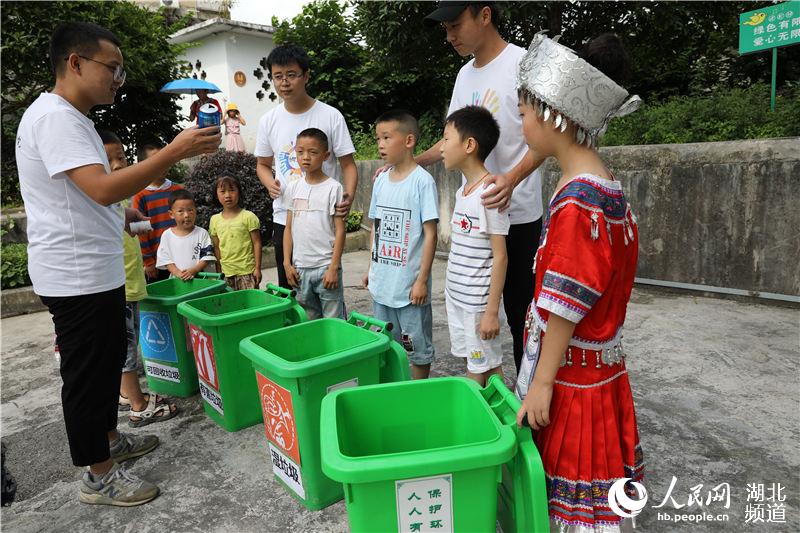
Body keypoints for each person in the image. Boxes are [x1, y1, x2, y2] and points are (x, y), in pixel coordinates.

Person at [15, 21, 219, 506]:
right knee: (87, 377)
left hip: (93, 269)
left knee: (107, 364)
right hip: (76, 274)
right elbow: (102, 187)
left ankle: (108, 442)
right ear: (75, 63)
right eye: (113, 68)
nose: (118, 79)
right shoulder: (56, 119)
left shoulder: (73, 119)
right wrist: (174, 152)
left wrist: (122, 211)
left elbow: (85, 195)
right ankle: (97, 476)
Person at [513, 32, 644, 531]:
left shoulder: (578, 203)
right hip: (597, 371)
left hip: (572, 380)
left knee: (573, 501)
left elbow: (566, 302)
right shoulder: (603, 187)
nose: (521, 122)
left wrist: (542, 382)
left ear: (552, 114)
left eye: (524, 111)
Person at [421, 1, 546, 375]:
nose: (450, 36)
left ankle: (529, 396)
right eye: (445, 30)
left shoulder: (524, 64)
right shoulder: (464, 76)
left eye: (456, 25)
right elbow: (451, 138)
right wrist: (412, 162)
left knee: (521, 310)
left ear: (485, 15)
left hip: (518, 213)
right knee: (478, 315)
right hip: (473, 219)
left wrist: (513, 178)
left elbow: (549, 137)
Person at [255, 43, 358, 289]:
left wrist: (349, 197)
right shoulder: (268, 120)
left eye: (291, 75)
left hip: (324, 218)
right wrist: (270, 184)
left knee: (326, 287)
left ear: (306, 76)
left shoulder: (330, 116)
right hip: (285, 217)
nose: (284, 82)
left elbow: (348, 164)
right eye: (278, 76)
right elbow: (262, 164)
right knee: (288, 286)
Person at [99, 130, 178, 427]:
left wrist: (168, 230)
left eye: (120, 157)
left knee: (126, 345)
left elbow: (139, 228)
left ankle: (123, 394)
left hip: (129, 285)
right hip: (119, 287)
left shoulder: (118, 203)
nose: (118, 165)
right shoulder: (103, 202)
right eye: (108, 160)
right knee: (126, 348)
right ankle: (139, 404)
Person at [362, 110, 439, 380]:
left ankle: (417, 394)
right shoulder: (381, 180)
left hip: (409, 289)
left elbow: (431, 234)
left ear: (408, 141)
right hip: (382, 284)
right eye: (378, 138)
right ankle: (393, 391)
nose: (380, 144)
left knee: (416, 346)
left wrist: (422, 280)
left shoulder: (422, 182)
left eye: (386, 137)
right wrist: (371, 266)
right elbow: (376, 226)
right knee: (386, 344)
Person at [441, 106, 508, 387]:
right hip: (458, 297)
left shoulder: (489, 193)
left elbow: (501, 256)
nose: (442, 147)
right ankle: (505, 423)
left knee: (479, 371)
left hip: (478, 306)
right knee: (485, 365)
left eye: (445, 139)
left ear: (469, 145)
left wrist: (491, 311)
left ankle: (484, 426)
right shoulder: (462, 191)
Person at [283, 128, 345, 319]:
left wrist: (334, 267)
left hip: (326, 267)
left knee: (334, 322)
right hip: (300, 269)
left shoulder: (333, 188)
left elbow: (340, 230)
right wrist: (287, 263)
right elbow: (288, 228)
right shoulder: (293, 188)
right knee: (309, 321)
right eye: (300, 152)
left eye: (313, 152)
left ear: (325, 155)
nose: (306, 157)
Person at [132, 143, 184, 282]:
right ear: (144, 164)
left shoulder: (177, 190)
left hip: (181, 259)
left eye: (165, 158)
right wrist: (148, 262)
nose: (163, 163)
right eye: (157, 160)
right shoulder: (140, 195)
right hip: (157, 264)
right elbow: (140, 232)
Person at [209, 174, 262, 290]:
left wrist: (257, 268)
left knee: (251, 306)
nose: (227, 195)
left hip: (247, 271)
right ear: (217, 195)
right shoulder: (214, 220)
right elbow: (217, 247)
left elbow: (257, 243)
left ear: (239, 192)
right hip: (226, 273)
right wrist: (219, 271)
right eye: (223, 191)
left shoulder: (248, 217)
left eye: (232, 190)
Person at [156, 189, 216, 280]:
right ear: (171, 214)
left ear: (195, 211)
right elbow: (165, 259)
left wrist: (194, 270)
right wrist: (177, 273)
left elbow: (207, 257)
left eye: (190, 210)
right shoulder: (167, 235)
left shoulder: (202, 233)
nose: (186, 215)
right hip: (177, 280)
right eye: (181, 211)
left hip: (200, 280)